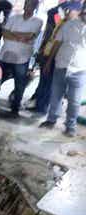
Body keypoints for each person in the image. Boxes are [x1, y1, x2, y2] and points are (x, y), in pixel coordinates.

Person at [39, 4, 86, 137]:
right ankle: (51, 120)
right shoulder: (69, 24)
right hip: (61, 65)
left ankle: (70, 126)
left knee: (75, 101)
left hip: (80, 70)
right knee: (56, 95)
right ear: (83, 12)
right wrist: (49, 62)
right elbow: (57, 43)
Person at [0, 0, 43, 118]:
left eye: (32, 5)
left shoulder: (38, 21)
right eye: (28, 3)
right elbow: (4, 33)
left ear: (35, 7)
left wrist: (13, 34)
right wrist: (20, 36)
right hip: (5, 55)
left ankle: (15, 108)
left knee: (19, 84)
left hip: (21, 58)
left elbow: (29, 37)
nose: (29, 6)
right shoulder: (13, 17)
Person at [33, 0, 79, 116]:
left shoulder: (73, 25)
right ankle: (39, 105)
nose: (67, 13)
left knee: (50, 83)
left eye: (70, 11)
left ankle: (43, 108)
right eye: (66, 11)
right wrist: (43, 49)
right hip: (49, 52)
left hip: (59, 57)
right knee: (44, 79)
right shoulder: (62, 21)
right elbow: (50, 34)